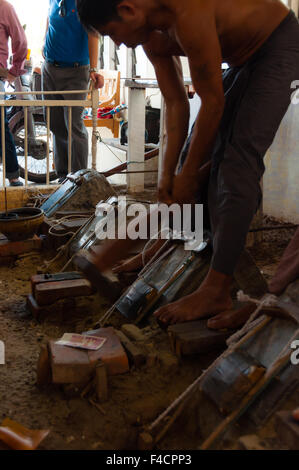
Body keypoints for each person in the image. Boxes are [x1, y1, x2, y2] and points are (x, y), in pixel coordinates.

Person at [75, 0, 299, 329]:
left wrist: (188, 175)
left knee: (235, 166)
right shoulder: (150, 35)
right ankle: (167, 244)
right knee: (186, 162)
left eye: (113, 34)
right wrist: (169, 175)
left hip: (277, 45)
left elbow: (212, 103)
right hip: (240, 60)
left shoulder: (189, 14)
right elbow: (176, 102)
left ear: (128, 10)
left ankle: (216, 288)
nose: (119, 43)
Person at [42, 0, 104, 182]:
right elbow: (49, 18)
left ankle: (79, 178)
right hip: (50, 68)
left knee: (73, 124)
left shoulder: (84, 3)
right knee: (54, 122)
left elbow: (93, 34)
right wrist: (44, 42)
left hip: (76, 71)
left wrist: (93, 69)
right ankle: (63, 175)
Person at [0, 0, 28, 187]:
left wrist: (14, 70)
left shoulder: (4, 7)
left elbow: (21, 41)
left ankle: (13, 175)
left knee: (0, 125)